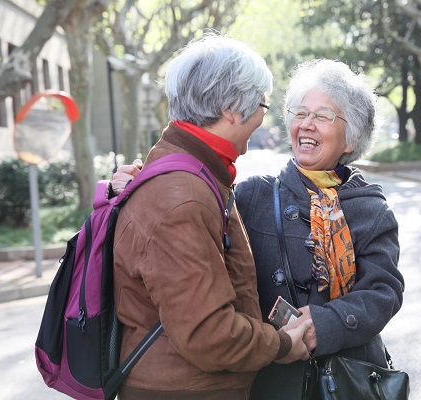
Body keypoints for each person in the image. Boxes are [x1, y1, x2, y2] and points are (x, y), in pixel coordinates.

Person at [114, 59, 405, 399]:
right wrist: (136, 181)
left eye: (323, 116)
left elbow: (383, 291)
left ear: (350, 138)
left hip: (343, 380)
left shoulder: (370, 208)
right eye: (300, 113)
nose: (306, 124)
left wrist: (326, 324)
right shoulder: (253, 195)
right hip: (271, 376)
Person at [111, 32, 311, 400]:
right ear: (232, 109)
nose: (263, 118)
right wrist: (281, 344)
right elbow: (208, 333)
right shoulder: (181, 196)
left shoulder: (189, 172)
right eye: (263, 105)